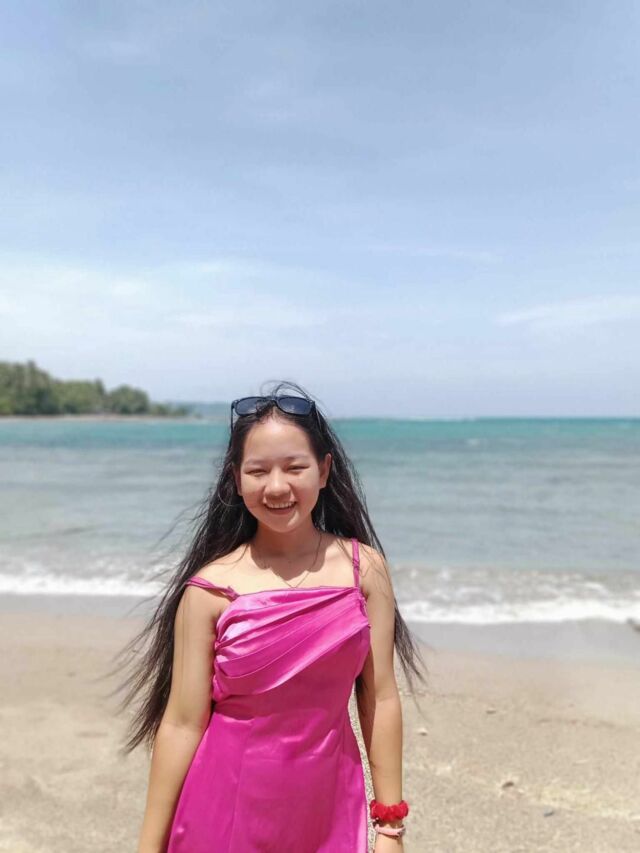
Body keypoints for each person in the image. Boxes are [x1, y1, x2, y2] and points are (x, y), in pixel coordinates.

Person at [114, 380, 428, 852]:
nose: (277, 486)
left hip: (328, 806)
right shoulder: (210, 590)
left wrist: (389, 826)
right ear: (236, 479)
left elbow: (379, 697)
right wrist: (148, 847)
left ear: (324, 470)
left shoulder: (364, 570)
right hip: (223, 808)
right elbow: (181, 723)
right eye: (258, 471)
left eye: (295, 467)